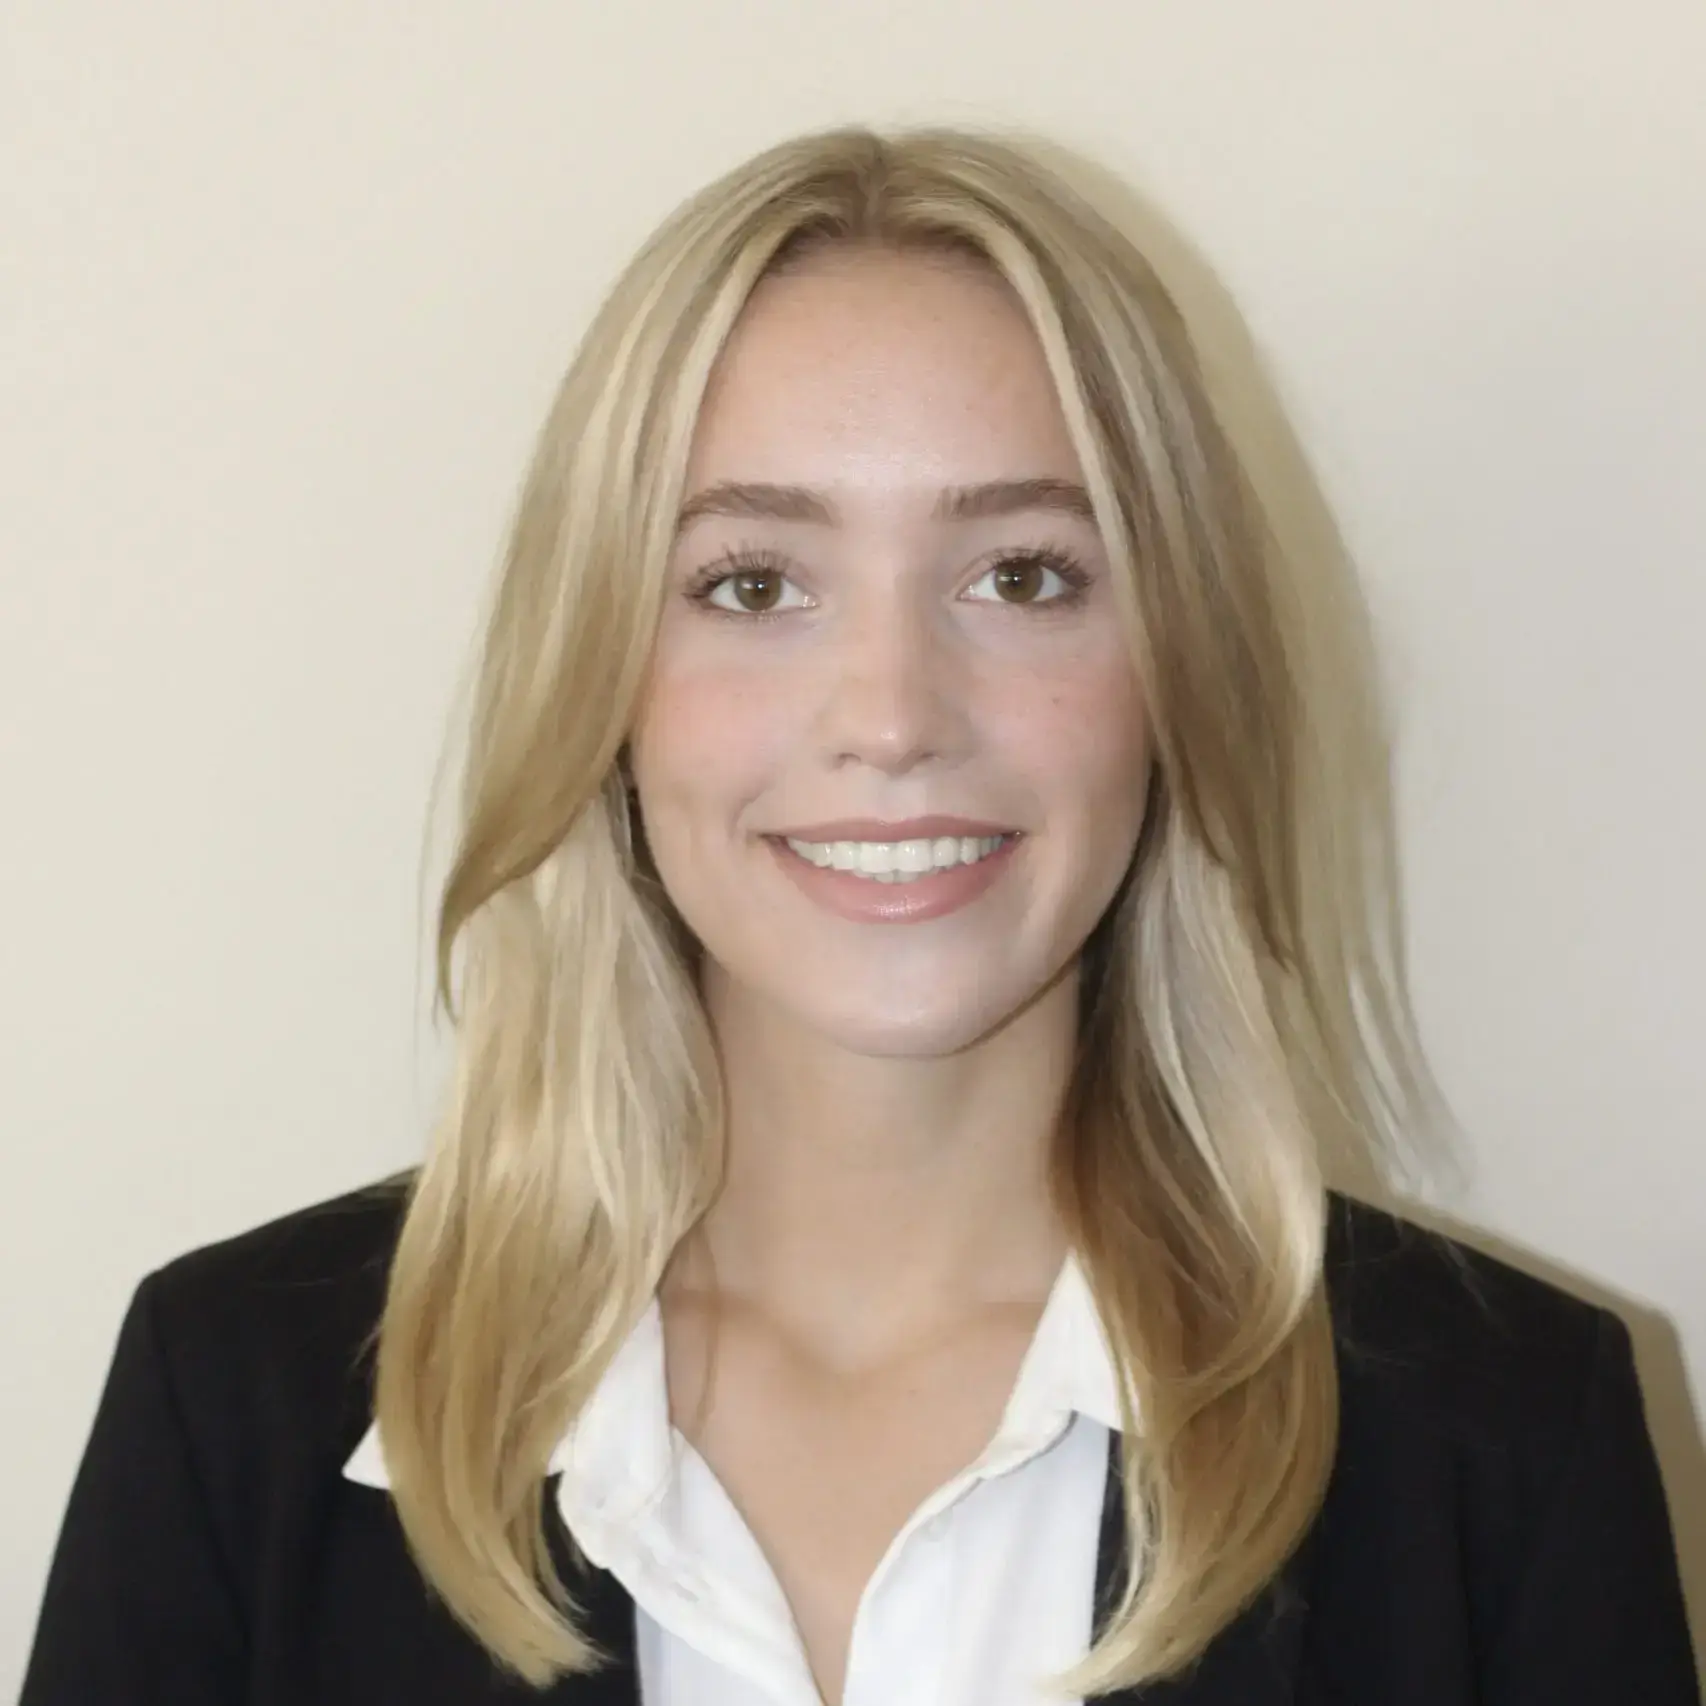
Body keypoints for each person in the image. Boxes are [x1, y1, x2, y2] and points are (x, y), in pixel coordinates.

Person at [20, 123, 1700, 1706]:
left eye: (1023, 574)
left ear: (1176, 671)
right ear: (601, 683)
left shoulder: (1510, 1435)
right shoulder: (231, 1397)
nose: (890, 713)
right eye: (751, 583)